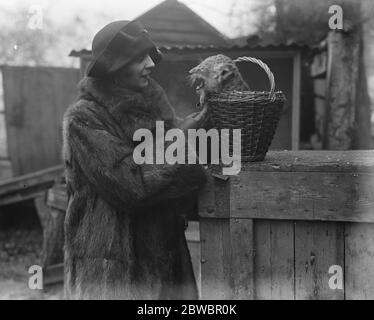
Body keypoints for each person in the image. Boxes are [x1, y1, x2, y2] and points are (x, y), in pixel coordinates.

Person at [62, 20, 208, 300]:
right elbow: (129, 185)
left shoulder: (153, 105)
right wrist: (182, 141)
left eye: (150, 55)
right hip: (111, 269)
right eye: (139, 57)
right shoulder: (84, 119)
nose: (151, 64)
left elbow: (182, 171)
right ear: (113, 68)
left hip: (164, 258)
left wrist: (203, 126)